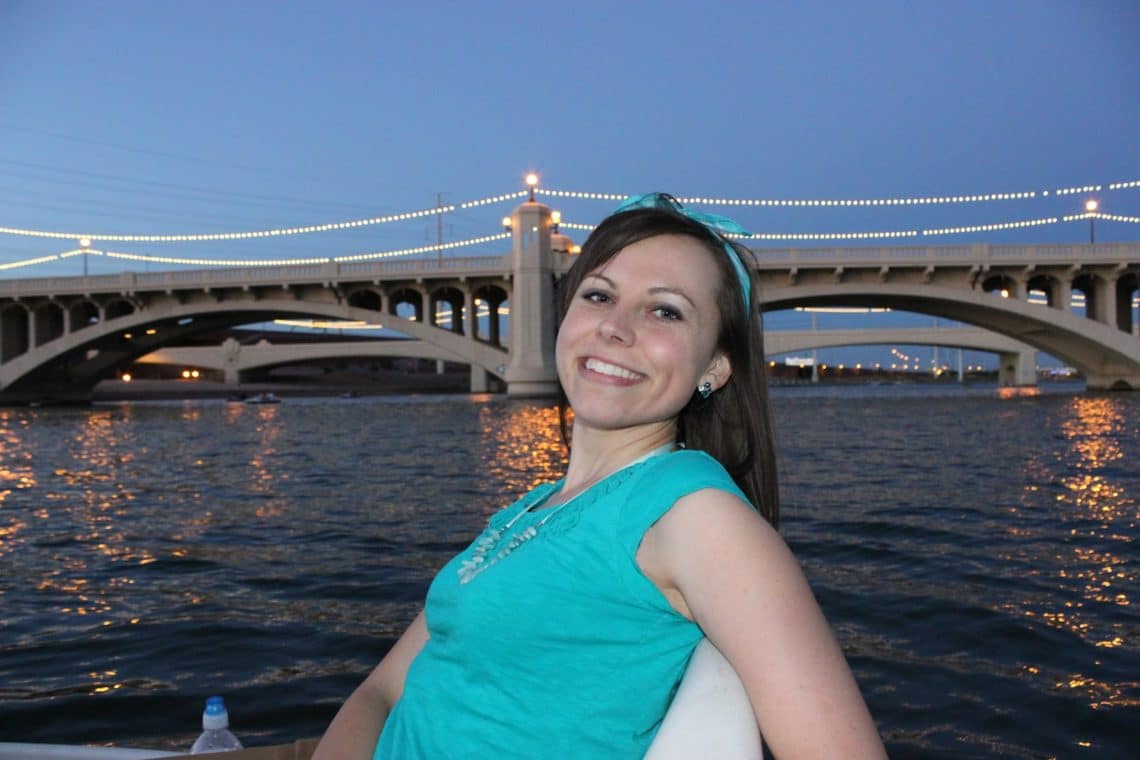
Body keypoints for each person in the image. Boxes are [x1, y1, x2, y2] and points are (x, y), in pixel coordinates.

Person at [314, 193, 886, 759]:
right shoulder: (533, 509)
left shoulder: (696, 516)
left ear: (714, 366)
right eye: (598, 295)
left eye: (665, 310)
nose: (615, 326)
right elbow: (382, 692)